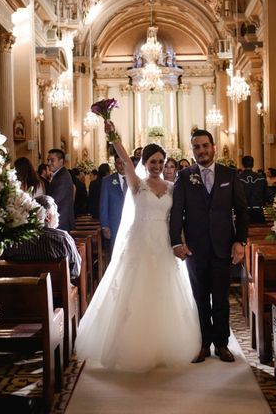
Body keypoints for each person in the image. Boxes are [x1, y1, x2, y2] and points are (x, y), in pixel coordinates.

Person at [75, 121, 200, 371]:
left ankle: (165, 345)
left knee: (164, 293)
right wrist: (113, 134)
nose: (157, 166)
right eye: (152, 161)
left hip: (164, 244)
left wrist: (182, 243)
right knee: (135, 292)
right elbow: (124, 157)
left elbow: (179, 221)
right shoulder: (137, 184)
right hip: (139, 242)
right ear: (144, 163)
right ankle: (130, 346)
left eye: (160, 162)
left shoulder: (172, 188)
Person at [170, 129, 249, 363]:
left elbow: (242, 211)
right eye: (196, 147)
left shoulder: (230, 174)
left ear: (213, 147)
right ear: (192, 150)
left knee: (221, 298)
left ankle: (222, 344)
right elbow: (177, 212)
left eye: (205, 146)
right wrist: (176, 242)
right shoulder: (185, 176)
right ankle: (204, 343)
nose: (201, 151)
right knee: (200, 297)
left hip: (223, 246)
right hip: (195, 248)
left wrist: (240, 241)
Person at [2, 195, 82, 282]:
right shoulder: (63, 238)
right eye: (56, 212)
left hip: (21, 292)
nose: (58, 215)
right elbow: (75, 272)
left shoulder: (15, 239)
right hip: (58, 291)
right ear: (47, 217)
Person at [99, 153, 127, 254]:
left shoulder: (134, 180)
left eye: (124, 163)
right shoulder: (107, 181)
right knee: (116, 253)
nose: (122, 166)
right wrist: (105, 226)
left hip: (132, 224)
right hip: (115, 224)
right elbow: (103, 205)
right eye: (119, 163)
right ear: (115, 164)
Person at [47, 149, 76, 231]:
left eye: (52, 160)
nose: (49, 163)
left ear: (61, 161)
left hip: (61, 223)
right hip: (60, 221)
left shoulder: (62, 177)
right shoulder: (59, 175)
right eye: (48, 160)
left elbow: (54, 200)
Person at [238, 155, 267, 224]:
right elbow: (266, 194)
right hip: (258, 211)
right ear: (253, 164)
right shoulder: (261, 178)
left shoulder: (237, 178)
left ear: (242, 164)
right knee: (259, 233)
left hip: (243, 212)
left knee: (242, 233)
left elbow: (235, 195)